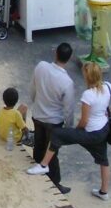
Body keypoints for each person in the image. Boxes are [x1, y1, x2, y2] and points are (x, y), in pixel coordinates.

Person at [26, 62, 111, 200]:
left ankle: (44, 165)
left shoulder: (88, 95)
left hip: (89, 133)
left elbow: (84, 121)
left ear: (88, 76)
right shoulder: (108, 87)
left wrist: (76, 132)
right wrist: (109, 111)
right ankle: (104, 192)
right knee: (103, 161)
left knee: (57, 134)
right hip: (103, 130)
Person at [27, 43, 76, 194]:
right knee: (52, 153)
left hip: (38, 114)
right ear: (68, 59)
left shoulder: (41, 66)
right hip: (54, 121)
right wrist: (69, 128)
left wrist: (35, 102)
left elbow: (33, 88)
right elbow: (68, 109)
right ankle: (55, 182)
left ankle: (38, 167)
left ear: (56, 54)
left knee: (39, 145)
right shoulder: (67, 82)